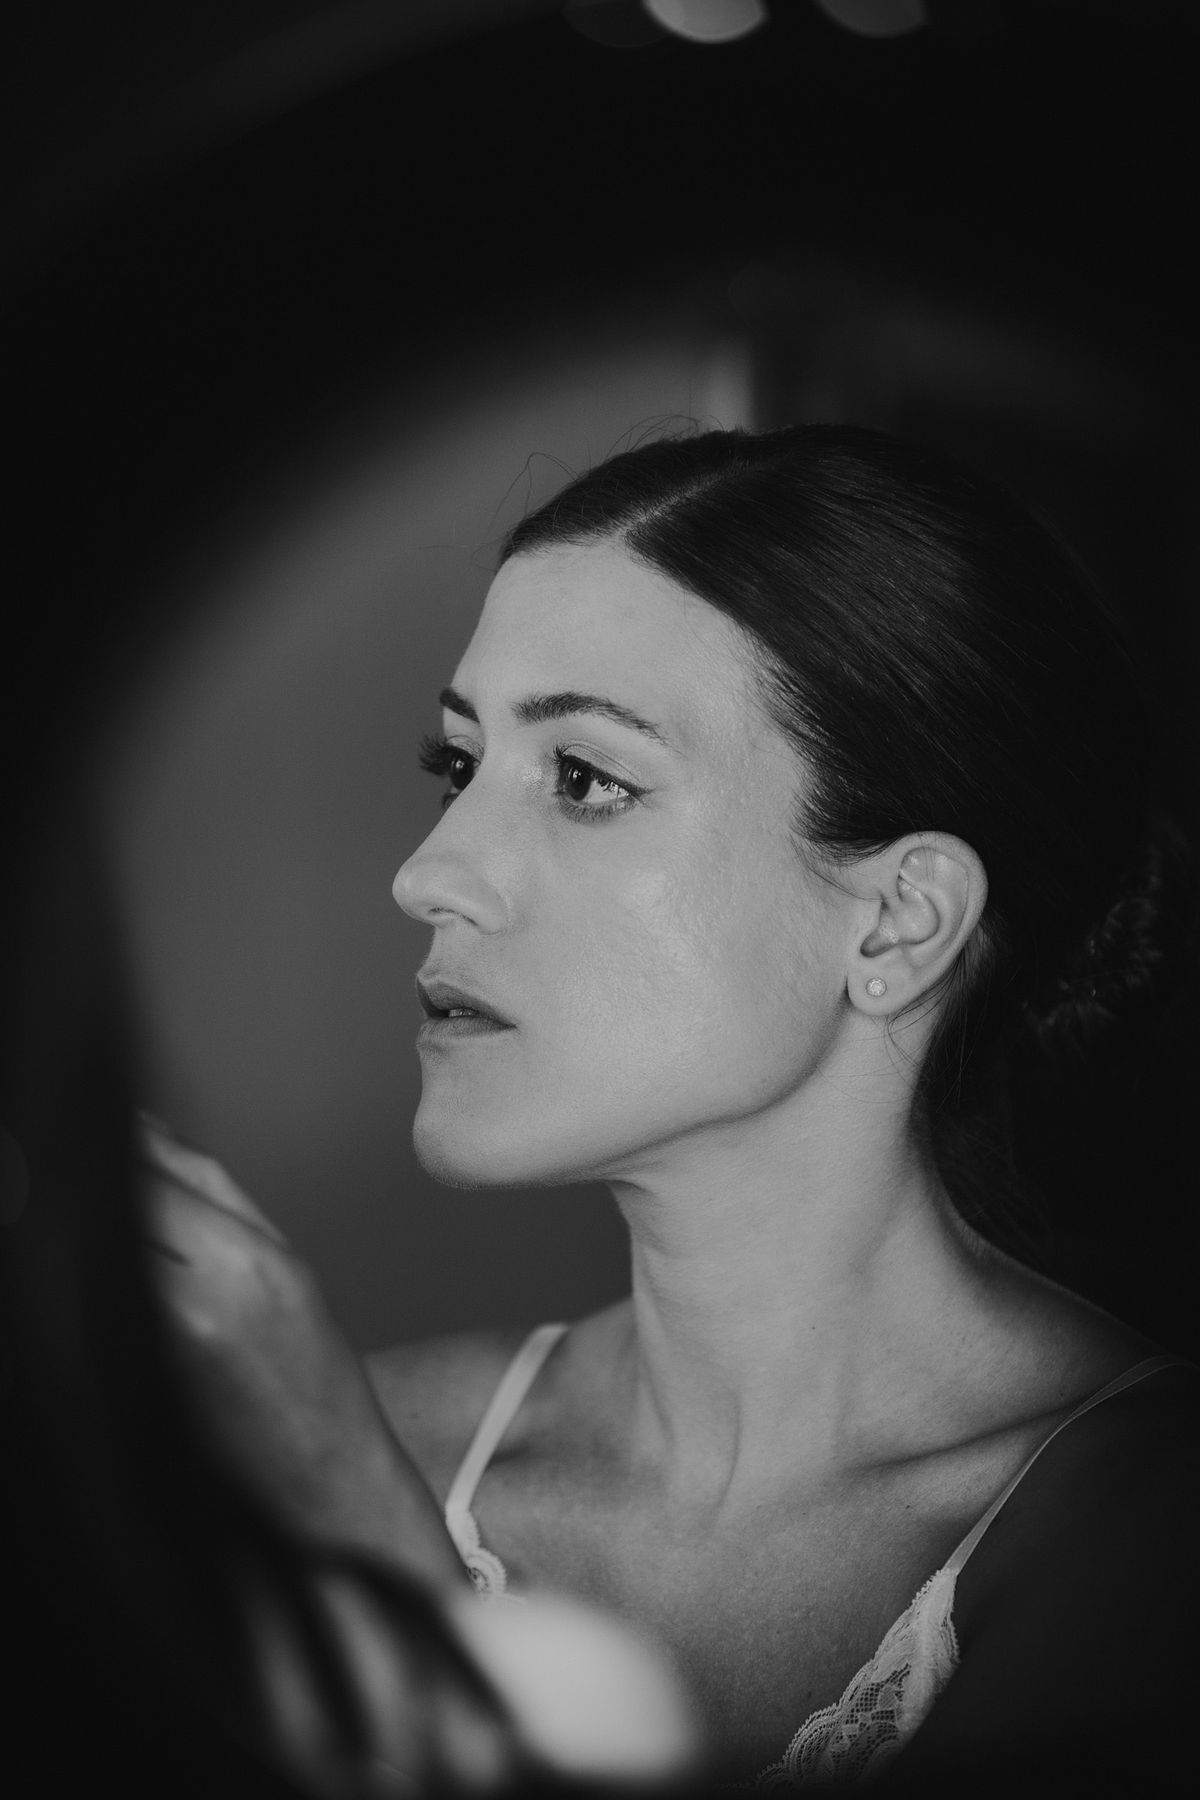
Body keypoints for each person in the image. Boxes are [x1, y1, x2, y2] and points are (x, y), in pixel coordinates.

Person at [146, 424, 1197, 1792]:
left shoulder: (1147, 1531)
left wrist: (360, 1525)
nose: (427, 874)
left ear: (897, 920)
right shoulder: (385, 1430)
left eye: (586, 779)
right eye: (459, 765)